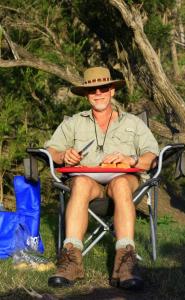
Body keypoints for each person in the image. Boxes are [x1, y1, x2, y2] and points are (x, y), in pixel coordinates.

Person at [45, 66, 159, 290]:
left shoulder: (133, 123)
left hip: (125, 181)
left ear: (112, 91)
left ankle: (125, 263)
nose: (98, 93)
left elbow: (152, 157)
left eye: (103, 88)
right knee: (79, 182)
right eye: (92, 90)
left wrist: (132, 160)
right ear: (86, 95)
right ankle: (71, 259)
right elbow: (50, 151)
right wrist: (62, 155)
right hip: (90, 183)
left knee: (120, 184)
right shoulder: (74, 122)